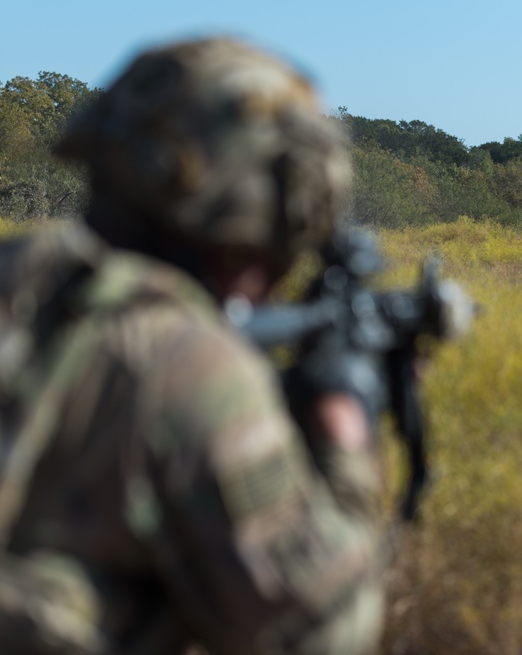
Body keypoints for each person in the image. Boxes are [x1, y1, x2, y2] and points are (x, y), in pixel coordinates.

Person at [0, 38, 386, 654]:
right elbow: (321, 632)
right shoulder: (183, 364)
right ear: (276, 206)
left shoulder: (20, 282)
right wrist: (345, 437)